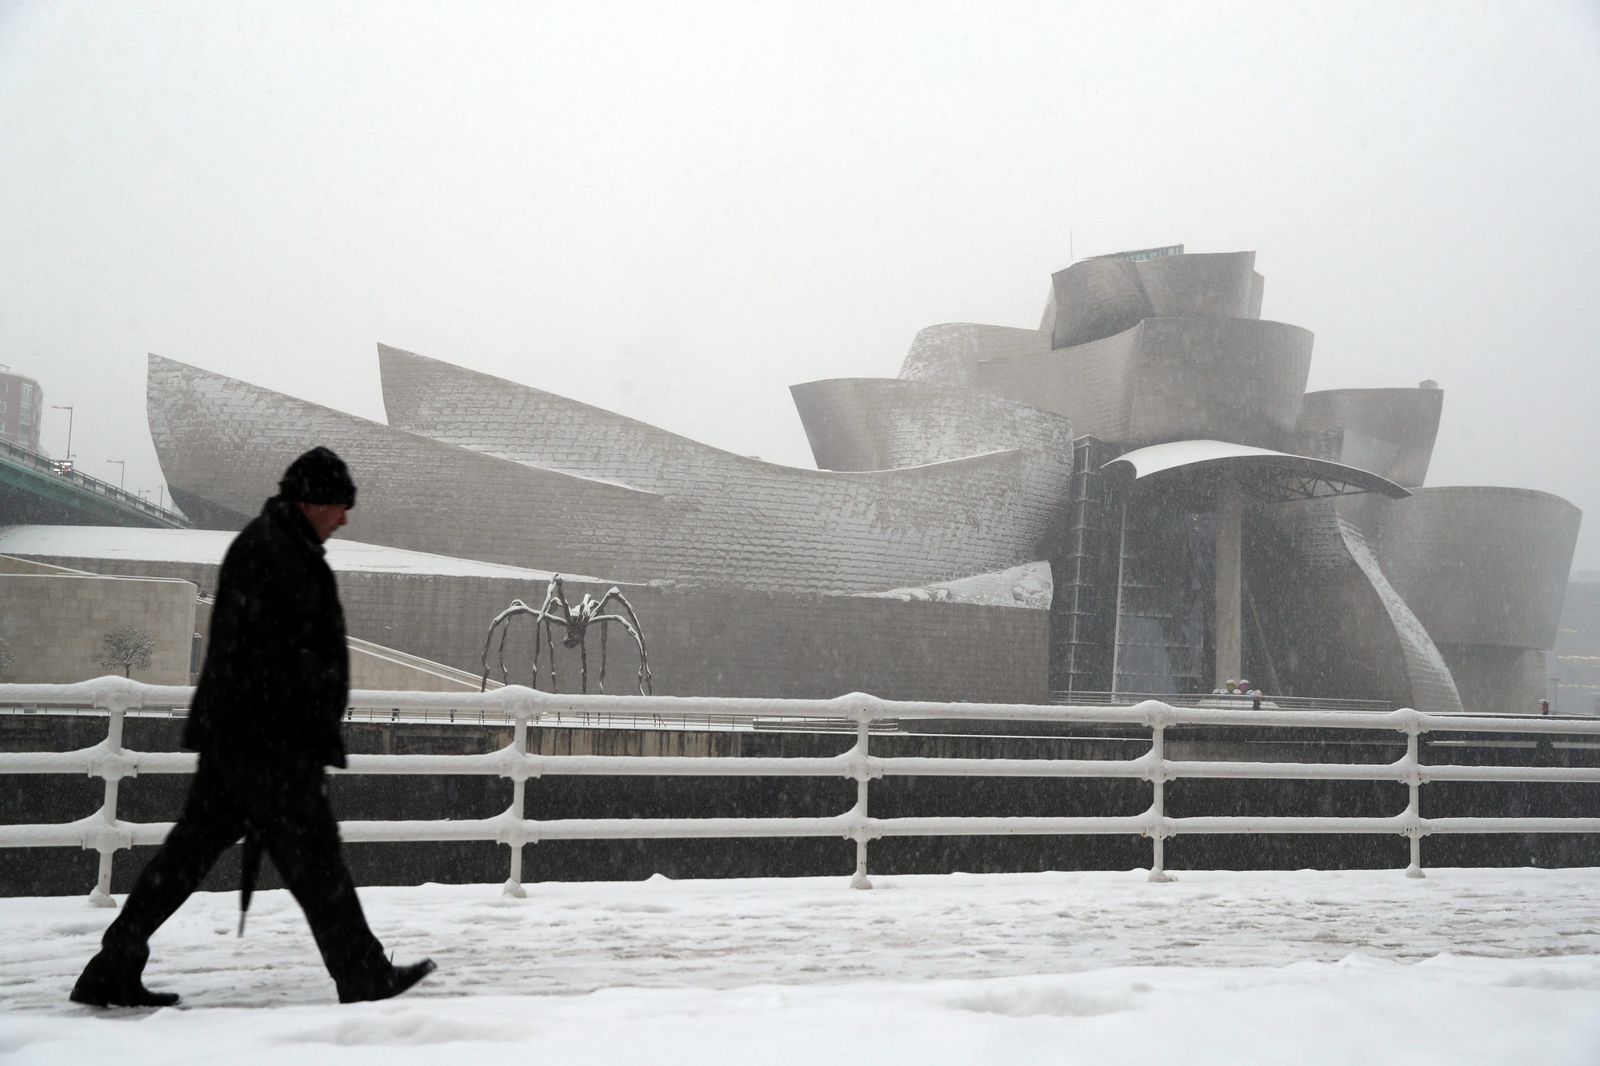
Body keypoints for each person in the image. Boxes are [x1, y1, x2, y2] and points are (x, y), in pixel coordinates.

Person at [70, 447, 435, 1008]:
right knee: (312, 862)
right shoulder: (275, 552)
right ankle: (360, 972)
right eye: (340, 505)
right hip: (269, 745)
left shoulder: (275, 545)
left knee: (193, 855)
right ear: (313, 501)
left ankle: (114, 961)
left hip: (249, 740)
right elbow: (272, 656)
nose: (345, 518)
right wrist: (295, 728)